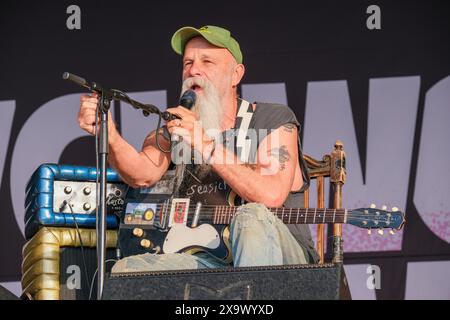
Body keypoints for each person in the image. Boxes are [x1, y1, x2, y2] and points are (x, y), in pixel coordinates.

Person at [78, 25, 319, 272]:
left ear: (236, 75)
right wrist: (109, 135)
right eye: (188, 63)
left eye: (207, 62)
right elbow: (141, 174)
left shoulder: (272, 118)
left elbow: (271, 196)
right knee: (128, 270)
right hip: (208, 258)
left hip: (283, 258)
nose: (194, 70)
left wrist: (204, 143)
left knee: (251, 217)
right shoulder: (175, 128)